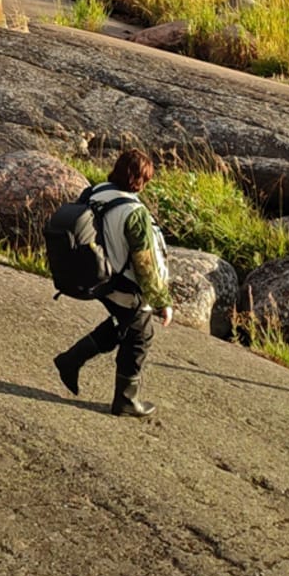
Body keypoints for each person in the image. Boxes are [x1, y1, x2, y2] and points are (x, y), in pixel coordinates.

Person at [53, 148, 173, 416]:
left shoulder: (96, 192)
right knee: (140, 337)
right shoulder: (134, 212)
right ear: (141, 180)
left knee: (122, 325)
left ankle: (70, 360)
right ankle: (126, 400)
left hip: (100, 280)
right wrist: (162, 301)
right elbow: (145, 264)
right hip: (125, 286)